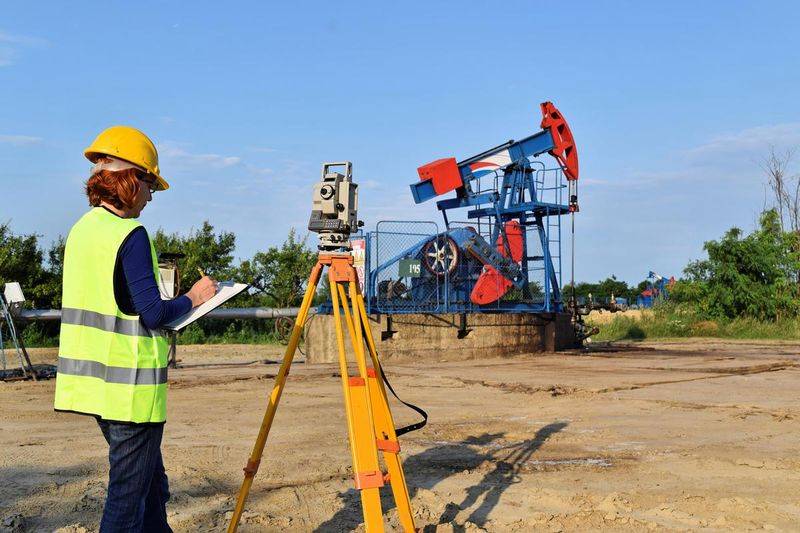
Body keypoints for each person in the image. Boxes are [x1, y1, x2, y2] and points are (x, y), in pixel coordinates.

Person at [53, 126, 217, 532]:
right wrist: (196, 297)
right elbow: (154, 314)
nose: (150, 197)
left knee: (149, 485)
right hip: (131, 393)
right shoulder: (131, 234)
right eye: (150, 185)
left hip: (95, 387)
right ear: (131, 180)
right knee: (127, 497)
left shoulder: (82, 231)